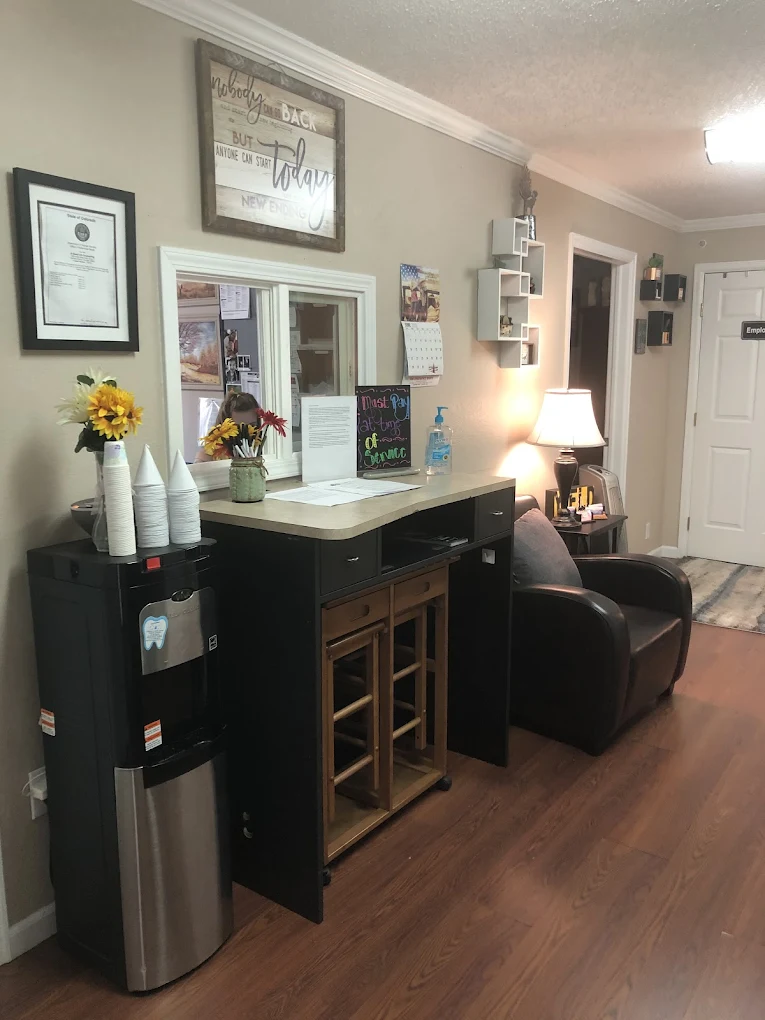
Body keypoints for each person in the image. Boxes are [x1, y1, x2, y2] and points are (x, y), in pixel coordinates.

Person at [195, 391, 261, 462]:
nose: (247, 433)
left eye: (252, 426)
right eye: (238, 428)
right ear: (224, 425)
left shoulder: (265, 448)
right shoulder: (208, 456)